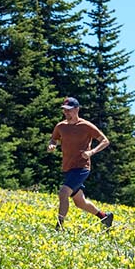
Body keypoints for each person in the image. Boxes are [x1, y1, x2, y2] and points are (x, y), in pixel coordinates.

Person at [47, 96, 114, 229]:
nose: (66, 113)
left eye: (69, 110)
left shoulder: (85, 126)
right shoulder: (60, 126)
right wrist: (51, 145)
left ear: (77, 109)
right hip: (67, 168)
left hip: (82, 167)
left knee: (63, 193)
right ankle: (104, 217)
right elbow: (53, 139)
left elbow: (105, 140)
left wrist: (91, 152)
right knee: (80, 202)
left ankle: (58, 227)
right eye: (64, 110)